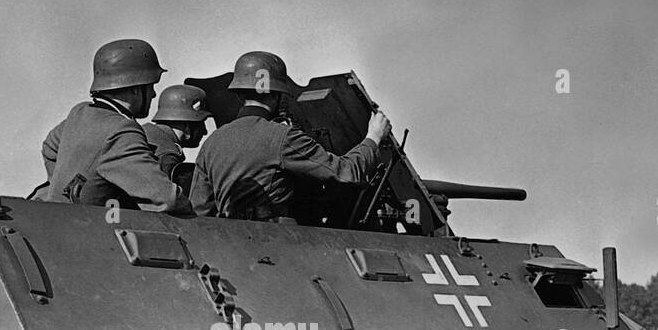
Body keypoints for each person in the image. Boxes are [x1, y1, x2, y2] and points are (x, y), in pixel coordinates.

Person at [190, 50, 391, 221]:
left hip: (228, 242)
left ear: (239, 93)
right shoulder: (282, 137)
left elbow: (200, 209)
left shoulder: (212, 142)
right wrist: (373, 137)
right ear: (277, 95)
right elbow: (345, 172)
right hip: (276, 241)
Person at [33, 39, 190, 214]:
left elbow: (49, 148)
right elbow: (167, 199)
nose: (153, 94)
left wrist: (69, 190)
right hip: (94, 230)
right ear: (135, 88)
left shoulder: (81, 112)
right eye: (151, 86)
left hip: (63, 221)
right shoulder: (121, 131)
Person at [143, 85, 213, 177]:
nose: (205, 131)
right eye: (201, 124)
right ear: (188, 125)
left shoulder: (143, 133)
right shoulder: (167, 157)